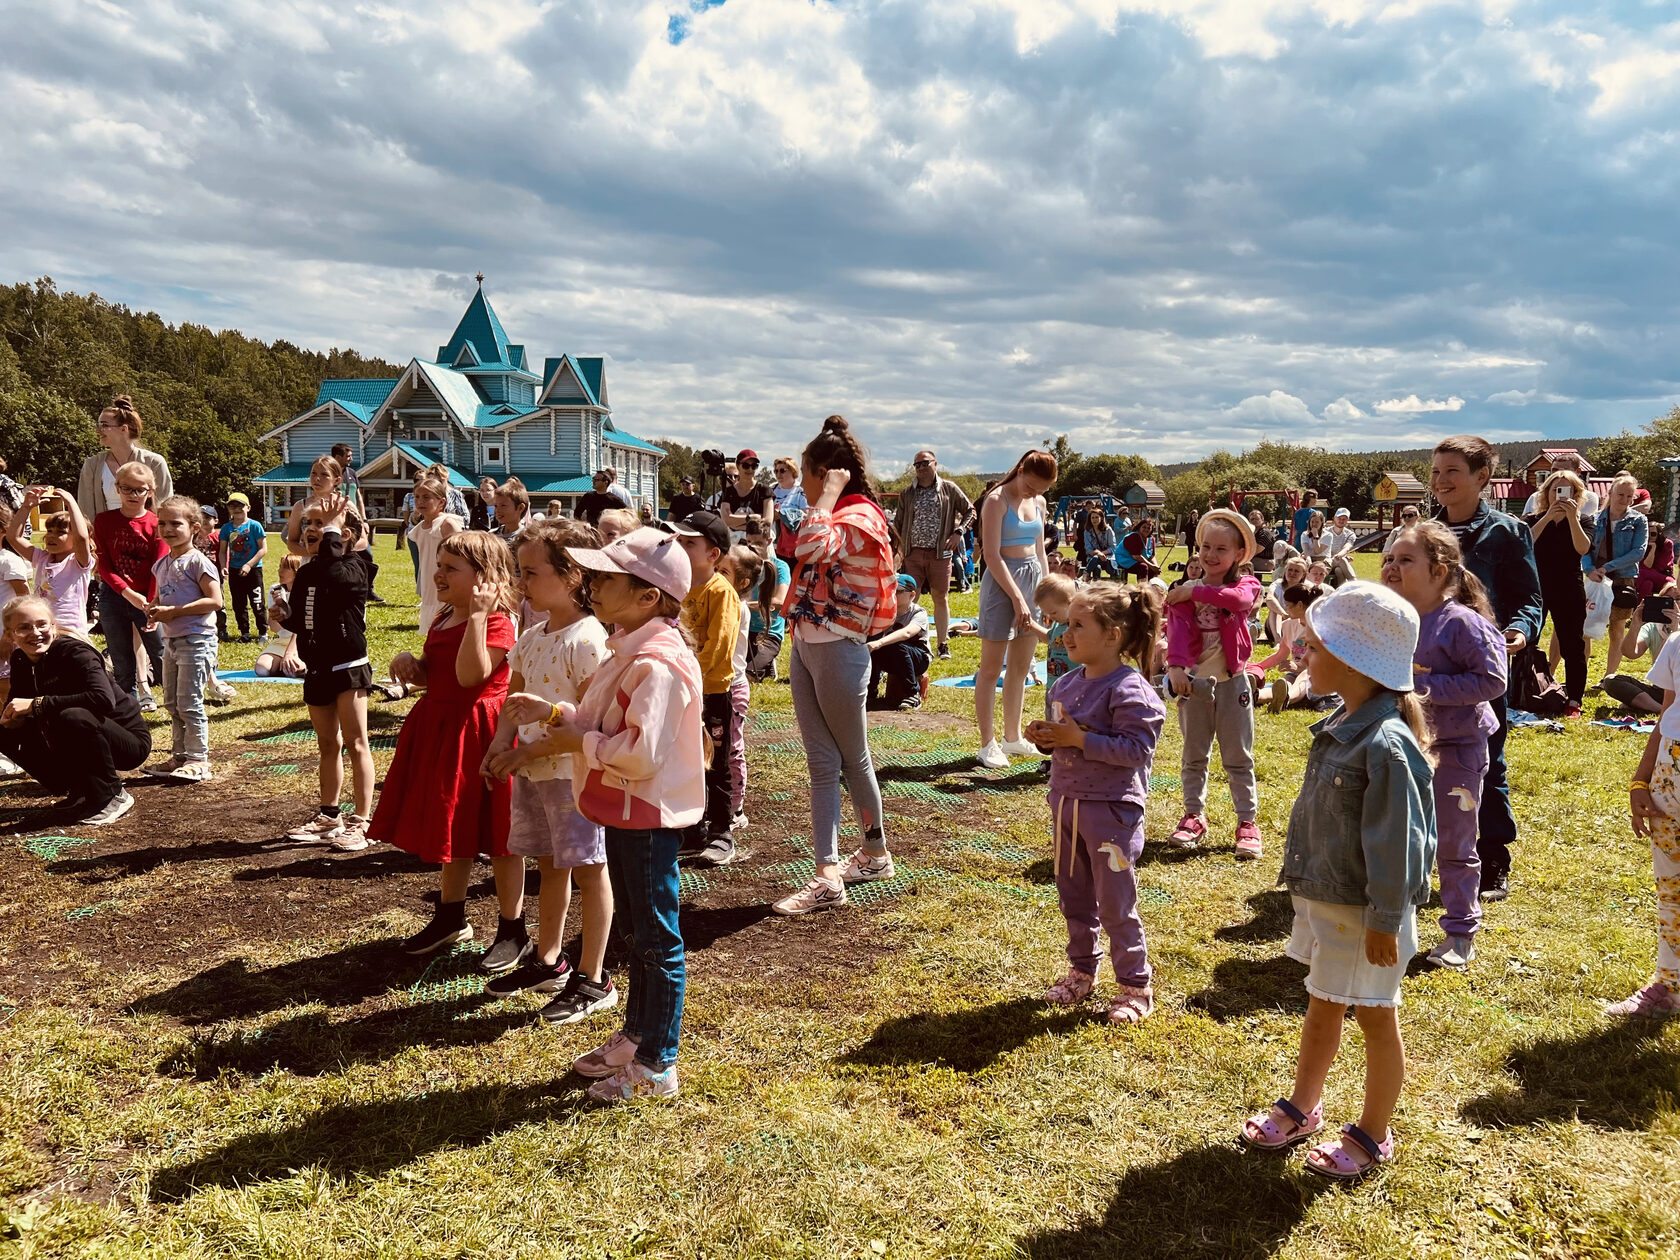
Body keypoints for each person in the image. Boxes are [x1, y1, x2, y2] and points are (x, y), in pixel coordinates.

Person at [500, 526, 705, 1102]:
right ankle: (637, 1036)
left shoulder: (656, 663)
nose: (593, 583)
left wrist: (575, 742)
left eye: (607, 577)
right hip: (625, 809)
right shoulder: (630, 647)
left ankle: (657, 1063)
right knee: (641, 936)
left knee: (658, 941)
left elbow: (638, 753)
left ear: (647, 597)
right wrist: (560, 711)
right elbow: (605, 721)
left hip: (646, 814)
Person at [1241, 581, 1434, 1181]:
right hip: (1329, 901)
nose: (1300, 654)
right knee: (1322, 1006)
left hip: (1365, 914)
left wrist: (1384, 921)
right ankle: (1304, 1105)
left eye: (1314, 647)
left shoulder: (1387, 745)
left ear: (1354, 660)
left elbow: (1400, 846)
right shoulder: (1341, 723)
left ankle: (1374, 1132)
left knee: (1376, 1017)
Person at [479, 519, 617, 1023]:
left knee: (588, 868)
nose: (522, 584)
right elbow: (512, 704)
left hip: (573, 778)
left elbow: (591, 723)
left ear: (573, 575)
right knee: (548, 864)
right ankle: (548, 959)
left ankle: (594, 975)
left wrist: (522, 755)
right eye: (521, 572)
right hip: (532, 774)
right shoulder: (532, 636)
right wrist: (499, 749)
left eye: (531, 573)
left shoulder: (587, 641)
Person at [370, 532, 522, 957]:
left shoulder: (497, 621)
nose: (437, 574)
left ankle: (512, 928)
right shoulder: (443, 617)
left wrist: (477, 616)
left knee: (500, 835)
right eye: (438, 564)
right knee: (454, 825)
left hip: (480, 733)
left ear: (485, 578)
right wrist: (412, 666)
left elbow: (473, 676)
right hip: (443, 729)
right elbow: (439, 674)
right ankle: (451, 917)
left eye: (450, 568)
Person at [773, 416, 898, 916]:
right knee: (825, 763)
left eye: (807, 477)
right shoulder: (840, 511)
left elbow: (809, 546)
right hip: (809, 643)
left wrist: (825, 497)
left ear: (827, 475)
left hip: (838, 649)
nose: (801, 487)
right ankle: (850, 862)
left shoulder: (857, 516)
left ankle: (863, 858)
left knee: (852, 758)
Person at [1026, 584, 1166, 1025]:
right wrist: (1046, 738)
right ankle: (1082, 970)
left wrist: (1080, 740)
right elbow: (1062, 737)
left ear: (1114, 635)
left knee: (1114, 902)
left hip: (1111, 813)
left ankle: (1135, 985)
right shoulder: (1065, 684)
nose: (1066, 634)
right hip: (1066, 804)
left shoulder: (1131, 690)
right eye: (1067, 624)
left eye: (1078, 625)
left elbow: (1136, 750)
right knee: (1074, 895)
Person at [1383, 522, 1508, 971]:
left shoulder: (1461, 623)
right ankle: (1396, 922)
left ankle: (1460, 931)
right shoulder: (1393, 618)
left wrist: (1421, 685)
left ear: (1439, 570)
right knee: (1401, 839)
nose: (1392, 567)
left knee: (1454, 844)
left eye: (1405, 560)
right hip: (1403, 748)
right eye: (1389, 559)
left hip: (1456, 750)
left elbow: (1492, 680)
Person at [1431, 435, 1541, 905]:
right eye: (1435, 472)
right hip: (1426, 664)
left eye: (1452, 472)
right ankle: (1425, 853)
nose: (1440, 481)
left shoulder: (1508, 532)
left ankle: (1491, 858)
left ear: (1482, 478)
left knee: (1484, 761)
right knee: (1421, 759)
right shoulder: (1422, 535)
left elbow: (1529, 599)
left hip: (1480, 666)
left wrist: (1519, 631)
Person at [1163, 509, 1264, 859]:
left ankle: (1247, 823)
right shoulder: (1183, 593)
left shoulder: (1245, 584)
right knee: (1194, 753)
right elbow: (1174, 630)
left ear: (1239, 555)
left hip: (1233, 684)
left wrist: (1196, 591)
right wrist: (1175, 668)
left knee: (1238, 756)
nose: (1211, 555)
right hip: (1194, 685)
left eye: (1221, 549)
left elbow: (1239, 601)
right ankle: (1194, 815)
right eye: (1206, 546)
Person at [279, 495, 379, 849]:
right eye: (311, 523)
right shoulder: (306, 571)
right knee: (327, 744)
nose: (312, 529)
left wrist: (333, 531)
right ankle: (329, 815)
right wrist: (281, 615)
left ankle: (362, 821)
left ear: (346, 534)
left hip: (348, 667)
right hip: (318, 667)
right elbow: (303, 616)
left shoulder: (356, 566)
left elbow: (339, 579)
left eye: (322, 524)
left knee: (356, 742)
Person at [0, 596, 150, 825]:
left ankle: (112, 795)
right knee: (4, 730)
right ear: (10, 635)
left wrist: (37, 704)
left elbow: (103, 700)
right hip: (75, 730)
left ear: (53, 625)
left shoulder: (75, 652)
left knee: (71, 715)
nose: (35, 632)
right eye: (24, 628)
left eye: (42, 624)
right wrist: (12, 720)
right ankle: (76, 788)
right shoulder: (20, 659)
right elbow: (17, 703)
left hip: (125, 739)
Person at [974, 450, 1057, 770]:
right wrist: (1017, 599)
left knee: (1021, 667)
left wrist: (1047, 593)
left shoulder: (1039, 503)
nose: (1034, 494)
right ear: (1020, 471)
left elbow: (1040, 551)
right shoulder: (995, 501)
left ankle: (1012, 737)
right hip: (1001, 583)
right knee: (991, 668)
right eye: (1031, 486)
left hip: (1032, 579)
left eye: (1041, 490)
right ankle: (987, 743)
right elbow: (992, 556)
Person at [672, 509, 743, 866]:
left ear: (712, 554)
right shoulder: (675, 587)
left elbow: (718, 646)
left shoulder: (721, 592)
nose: (679, 547)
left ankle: (721, 832)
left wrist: (690, 679)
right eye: (678, 541)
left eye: (689, 543)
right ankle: (692, 829)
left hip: (710, 691)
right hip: (679, 690)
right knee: (685, 760)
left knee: (714, 761)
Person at [1617, 627, 1680, 1018]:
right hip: (1669, 776)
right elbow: (1667, 712)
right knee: (1671, 886)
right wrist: (1641, 779)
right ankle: (1669, 985)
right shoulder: (1676, 643)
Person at [141, 496, 223, 783]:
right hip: (172, 641)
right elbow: (162, 596)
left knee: (190, 701)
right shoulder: (162, 564)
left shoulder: (198, 562)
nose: (168, 529)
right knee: (172, 702)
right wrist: (153, 609)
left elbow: (215, 601)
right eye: (162, 523)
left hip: (196, 639)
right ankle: (180, 756)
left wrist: (174, 611)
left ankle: (198, 759)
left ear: (194, 528)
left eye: (176, 523)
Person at [92, 460, 167, 709]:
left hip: (149, 598)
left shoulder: (158, 524)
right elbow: (104, 565)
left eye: (140, 489)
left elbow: (159, 566)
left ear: (150, 491)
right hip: (114, 596)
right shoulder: (103, 521)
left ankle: (178, 704)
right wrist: (126, 592)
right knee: (121, 658)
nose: (133, 495)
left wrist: (151, 602)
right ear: (117, 488)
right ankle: (127, 708)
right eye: (127, 489)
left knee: (161, 654)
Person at [893, 450, 974, 660]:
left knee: (941, 597)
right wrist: (898, 551)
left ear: (935, 464)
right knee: (908, 597)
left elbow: (970, 511)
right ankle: (906, 639)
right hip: (913, 553)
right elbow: (898, 525)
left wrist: (959, 532)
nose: (920, 468)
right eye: (916, 464)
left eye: (924, 463)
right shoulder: (907, 493)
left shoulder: (949, 489)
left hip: (941, 553)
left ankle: (942, 643)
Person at [1524, 469, 1591, 710]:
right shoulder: (1532, 519)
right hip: (1536, 589)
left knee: (1572, 645)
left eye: (1568, 491)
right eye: (1556, 490)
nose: (1561, 496)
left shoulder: (1584, 521)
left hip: (1569, 590)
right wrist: (1546, 517)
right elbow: (1524, 544)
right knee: (1527, 641)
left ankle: (1574, 699)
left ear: (1577, 494)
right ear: (1547, 493)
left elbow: (1583, 548)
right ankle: (1523, 691)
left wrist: (1572, 518)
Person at [6, 487, 92, 637]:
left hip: (70, 631)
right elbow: (13, 537)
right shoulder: (41, 558)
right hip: (41, 629)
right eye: (49, 531)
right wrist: (26, 507)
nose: (51, 536)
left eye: (60, 532)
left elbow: (82, 538)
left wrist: (72, 503)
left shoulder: (78, 563)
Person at [1587, 472, 1649, 679]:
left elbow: (1638, 552)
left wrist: (1608, 567)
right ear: (1610, 493)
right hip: (1595, 579)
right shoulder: (1594, 519)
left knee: (1617, 629)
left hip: (1622, 579)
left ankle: (1609, 677)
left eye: (1629, 497)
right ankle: (1582, 672)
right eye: (1621, 495)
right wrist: (1589, 569)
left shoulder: (1638, 521)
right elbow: (1584, 549)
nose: (1624, 500)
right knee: (1586, 627)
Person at [75, 395, 173, 523]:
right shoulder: (92, 465)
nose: (98, 431)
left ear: (123, 429)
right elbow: (85, 510)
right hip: (106, 536)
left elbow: (165, 507)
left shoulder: (155, 463)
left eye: (104, 425)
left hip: (146, 537)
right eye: (99, 425)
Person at [719, 546, 762, 828]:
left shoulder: (736, 607)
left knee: (732, 748)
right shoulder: (718, 601)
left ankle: (736, 809)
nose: (716, 576)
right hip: (716, 685)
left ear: (742, 582)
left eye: (723, 572)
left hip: (732, 686)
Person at [1602, 586, 1680, 713]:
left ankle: (1645, 705)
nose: (1674, 604)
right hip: (1660, 690)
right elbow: (1630, 653)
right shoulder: (1654, 627)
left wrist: (1675, 631)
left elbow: (1669, 665)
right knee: (1611, 680)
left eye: (1678, 599)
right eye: (1667, 600)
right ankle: (1660, 709)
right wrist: (1635, 624)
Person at [1256, 583, 1327, 713]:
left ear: (1300, 605)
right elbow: (1280, 655)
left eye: (1288, 606)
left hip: (1318, 674)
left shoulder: (1320, 627)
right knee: (1284, 682)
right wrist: (1257, 667)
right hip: (1296, 672)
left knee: (1305, 676)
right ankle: (1255, 696)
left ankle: (1286, 698)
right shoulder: (1288, 625)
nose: (1286, 609)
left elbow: (1323, 661)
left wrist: (1298, 667)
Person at [866, 574, 932, 711]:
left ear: (912, 595)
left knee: (894, 645)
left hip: (919, 659)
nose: (892, 594)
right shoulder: (883, 611)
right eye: (890, 590)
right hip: (893, 657)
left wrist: (879, 643)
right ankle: (870, 691)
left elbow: (907, 633)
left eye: (898, 591)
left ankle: (913, 694)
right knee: (871, 644)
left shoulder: (918, 613)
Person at [407, 475, 463, 634]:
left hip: (448, 581)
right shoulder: (419, 528)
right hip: (429, 583)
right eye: (417, 497)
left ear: (441, 502)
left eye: (426, 497)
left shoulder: (447, 524)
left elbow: (462, 556)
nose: (420, 501)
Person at [741, 518, 791, 682]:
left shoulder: (781, 567)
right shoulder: (744, 565)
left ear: (769, 541)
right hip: (745, 630)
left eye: (758, 543)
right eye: (749, 542)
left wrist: (747, 606)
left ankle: (765, 663)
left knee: (747, 676)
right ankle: (766, 667)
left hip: (768, 633)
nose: (752, 547)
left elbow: (780, 602)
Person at [218, 492, 268, 644]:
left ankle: (262, 632)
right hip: (235, 570)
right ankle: (245, 633)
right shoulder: (226, 528)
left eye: (240, 506)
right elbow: (222, 551)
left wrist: (249, 564)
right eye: (232, 506)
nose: (237, 509)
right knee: (239, 604)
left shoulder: (254, 526)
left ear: (248, 507)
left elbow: (263, 549)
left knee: (257, 602)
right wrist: (223, 566)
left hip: (253, 570)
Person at [1030, 573, 1078, 708]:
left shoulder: (1080, 627)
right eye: (1047, 613)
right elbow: (1048, 637)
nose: (1051, 617)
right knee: (1052, 718)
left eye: (1054, 612)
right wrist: (1032, 625)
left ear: (1070, 603)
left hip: (1074, 687)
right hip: (1054, 684)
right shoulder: (1058, 624)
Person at [255, 555, 306, 679]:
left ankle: (294, 665)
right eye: (280, 567)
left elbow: (301, 629)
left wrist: (290, 653)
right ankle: (287, 666)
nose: (279, 571)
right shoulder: (275, 589)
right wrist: (278, 605)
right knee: (262, 668)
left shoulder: (306, 591)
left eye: (285, 568)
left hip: (302, 642)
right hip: (282, 641)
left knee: (295, 668)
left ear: (296, 572)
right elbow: (274, 629)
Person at [283, 455, 345, 555]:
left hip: (338, 563)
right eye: (313, 473)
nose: (317, 478)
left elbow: (362, 541)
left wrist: (335, 553)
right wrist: (314, 555)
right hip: (310, 564)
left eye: (324, 475)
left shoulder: (344, 505)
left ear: (337, 480)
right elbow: (292, 542)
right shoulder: (300, 506)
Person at [716, 450, 773, 535]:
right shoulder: (728, 492)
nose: (750, 469)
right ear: (738, 466)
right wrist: (753, 517)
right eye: (746, 465)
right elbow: (726, 520)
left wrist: (735, 526)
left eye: (754, 466)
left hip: (758, 543)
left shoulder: (764, 490)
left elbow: (767, 523)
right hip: (734, 544)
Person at [770, 456, 808, 568]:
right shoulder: (771, 489)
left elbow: (806, 514)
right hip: (773, 543)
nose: (778, 474)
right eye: (776, 471)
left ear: (793, 471)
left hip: (793, 546)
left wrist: (783, 515)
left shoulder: (801, 490)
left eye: (782, 471)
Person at [1264, 556, 1310, 644]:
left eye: (1296, 571)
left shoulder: (1308, 587)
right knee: (1274, 610)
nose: (1292, 573)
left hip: (1298, 624)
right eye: (1290, 570)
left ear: (1303, 574)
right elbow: (1269, 599)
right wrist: (1284, 614)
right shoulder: (1278, 584)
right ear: (1285, 571)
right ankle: (1278, 640)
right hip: (1277, 624)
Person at [1117, 516, 1160, 584]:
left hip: (1137, 561)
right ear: (1139, 528)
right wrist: (1151, 566)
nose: (1146, 529)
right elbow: (1136, 556)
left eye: (1149, 528)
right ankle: (1142, 589)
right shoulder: (1133, 537)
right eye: (1144, 527)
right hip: (1123, 560)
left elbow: (1152, 556)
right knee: (1143, 567)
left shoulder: (1151, 539)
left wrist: (1156, 567)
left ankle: (1151, 589)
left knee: (1152, 570)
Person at [1082, 509, 1120, 579]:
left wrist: (1102, 553)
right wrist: (1098, 553)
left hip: (1108, 557)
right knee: (1096, 567)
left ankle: (1086, 573)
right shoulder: (1087, 531)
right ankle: (1096, 586)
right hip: (1093, 557)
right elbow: (1088, 549)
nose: (1094, 520)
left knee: (1099, 559)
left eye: (1097, 517)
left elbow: (1113, 547)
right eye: (1092, 518)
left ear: (1101, 518)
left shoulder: (1108, 530)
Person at [1325, 508, 1358, 585]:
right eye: (1339, 518)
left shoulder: (1350, 534)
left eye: (1344, 519)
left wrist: (1339, 555)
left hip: (1339, 562)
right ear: (1334, 518)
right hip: (1326, 562)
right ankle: (1355, 584)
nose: (1341, 520)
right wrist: (1340, 557)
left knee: (1338, 570)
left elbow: (1347, 547)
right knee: (1342, 560)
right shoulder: (1325, 531)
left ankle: (1341, 592)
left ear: (1347, 521)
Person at [330, 443, 362, 514]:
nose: (351, 459)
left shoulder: (352, 473)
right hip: (334, 517)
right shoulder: (328, 474)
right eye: (348, 456)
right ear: (338, 457)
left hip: (353, 516)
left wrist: (364, 519)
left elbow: (359, 497)